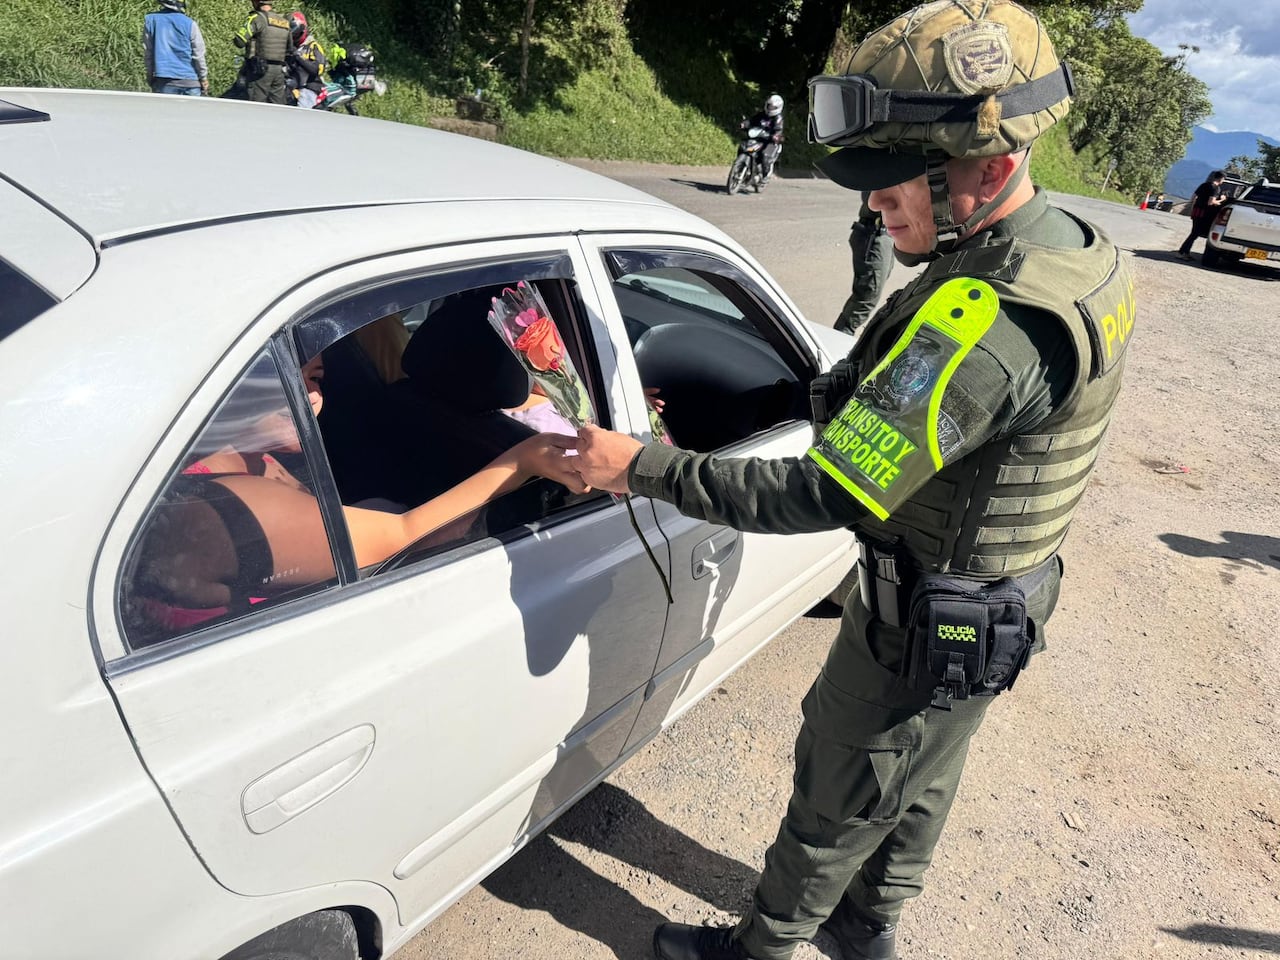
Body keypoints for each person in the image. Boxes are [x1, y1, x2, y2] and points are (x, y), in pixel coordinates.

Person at [565, 3, 1134, 959]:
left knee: (843, 781)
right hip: (997, 601)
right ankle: (870, 925)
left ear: (989, 170)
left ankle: (768, 945)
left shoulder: (991, 326)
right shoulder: (1065, 251)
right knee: (922, 772)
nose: (874, 206)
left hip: (920, 614)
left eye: (894, 184)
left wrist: (640, 467)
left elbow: (822, 493)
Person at [137, 352, 587, 618]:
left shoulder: (213, 461)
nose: (320, 383)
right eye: (305, 373)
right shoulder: (237, 513)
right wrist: (523, 461)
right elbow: (406, 535)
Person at [834, 192, 895, 335]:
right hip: (873, 233)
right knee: (866, 297)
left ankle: (841, 335)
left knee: (871, 293)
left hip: (883, 234)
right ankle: (840, 338)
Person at [233, 0, 295, 105]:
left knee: (257, 105)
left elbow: (239, 41)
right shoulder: (284, 22)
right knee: (278, 105)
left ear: (257, 2)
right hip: (279, 71)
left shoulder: (257, 18)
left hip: (260, 70)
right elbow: (290, 48)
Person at [142, 0, 208, 97]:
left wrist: (150, 76)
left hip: (164, 82)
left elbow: (149, 53)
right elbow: (199, 55)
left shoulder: (151, 20)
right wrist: (203, 78)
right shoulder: (190, 23)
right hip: (191, 82)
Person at [1177, 170, 1226, 260]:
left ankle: (1185, 252)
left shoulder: (1204, 185)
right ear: (1221, 178)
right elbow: (1210, 202)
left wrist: (1193, 207)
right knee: (1195, 234)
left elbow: (1193, 197)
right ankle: (1182, 252)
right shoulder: (1216, 188)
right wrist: (1221, 200)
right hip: (1204, 214)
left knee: (1194, 233)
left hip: (1196, 211)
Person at [286, 11, 328, 109]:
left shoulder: (313, 47)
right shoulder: (289, 47)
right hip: (292, 84)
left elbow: (317, 69)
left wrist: (298, 57)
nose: (293, 38)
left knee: (302, 109)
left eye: (295, 35)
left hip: (310, 87)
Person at [745, 93, 785, 184]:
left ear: (778, 108)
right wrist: (744, 124)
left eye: (772, 107)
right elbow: (752, 121)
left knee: (765, 156)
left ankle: (765, 175)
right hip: (759, 138)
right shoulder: (761, 114)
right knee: (744, 146)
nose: (770, 108)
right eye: (769, 106)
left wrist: (775, 136)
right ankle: (743, 165)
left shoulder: (778, 118)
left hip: (770, 142)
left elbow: (778, 130)